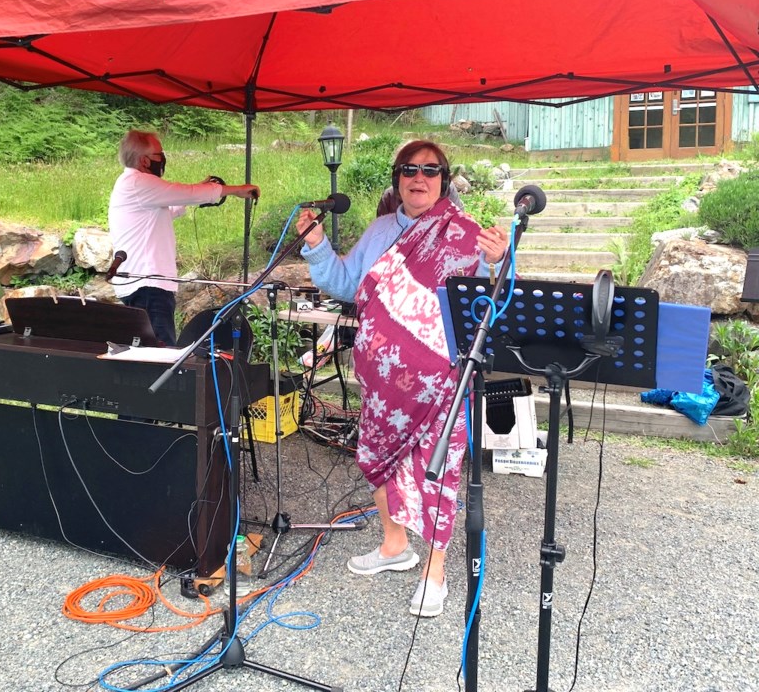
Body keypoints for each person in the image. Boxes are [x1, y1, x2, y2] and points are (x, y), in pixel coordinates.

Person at [296, 140, 509, 617]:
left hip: (442, 382)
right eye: (410, 169)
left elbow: (499, 301)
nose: (419, 177)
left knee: (437, 472)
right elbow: (345, 283)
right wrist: (316, 245)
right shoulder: (378, 231)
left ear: (444, 179)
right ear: (397, 178)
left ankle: (435, 572)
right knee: (377, 459)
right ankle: (394, 545)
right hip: (382, 379)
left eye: (430, 170)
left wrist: (497, 262)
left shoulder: (468, 234)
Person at [108, 130, 260, 346]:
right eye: (159, 154)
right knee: (160, 353)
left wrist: (201, 189)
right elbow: (185, 193)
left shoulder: (132, 185)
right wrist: (235, 190)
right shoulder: (139, 182)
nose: (163, 158)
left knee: (148, 351)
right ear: (144, 160)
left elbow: (169, 207)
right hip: (148, 284)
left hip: (142, 284)